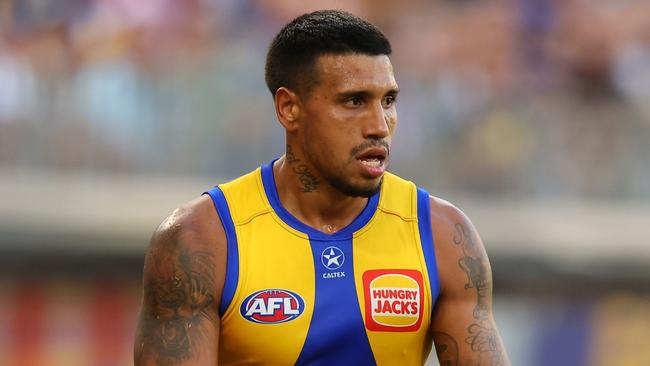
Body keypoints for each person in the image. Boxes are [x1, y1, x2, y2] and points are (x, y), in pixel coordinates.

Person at [134, 10, 510, 366]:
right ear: (288, 108)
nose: (380, 124)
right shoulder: (202, 239)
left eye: (389, 101)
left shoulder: (443, 235)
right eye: (354, 101)